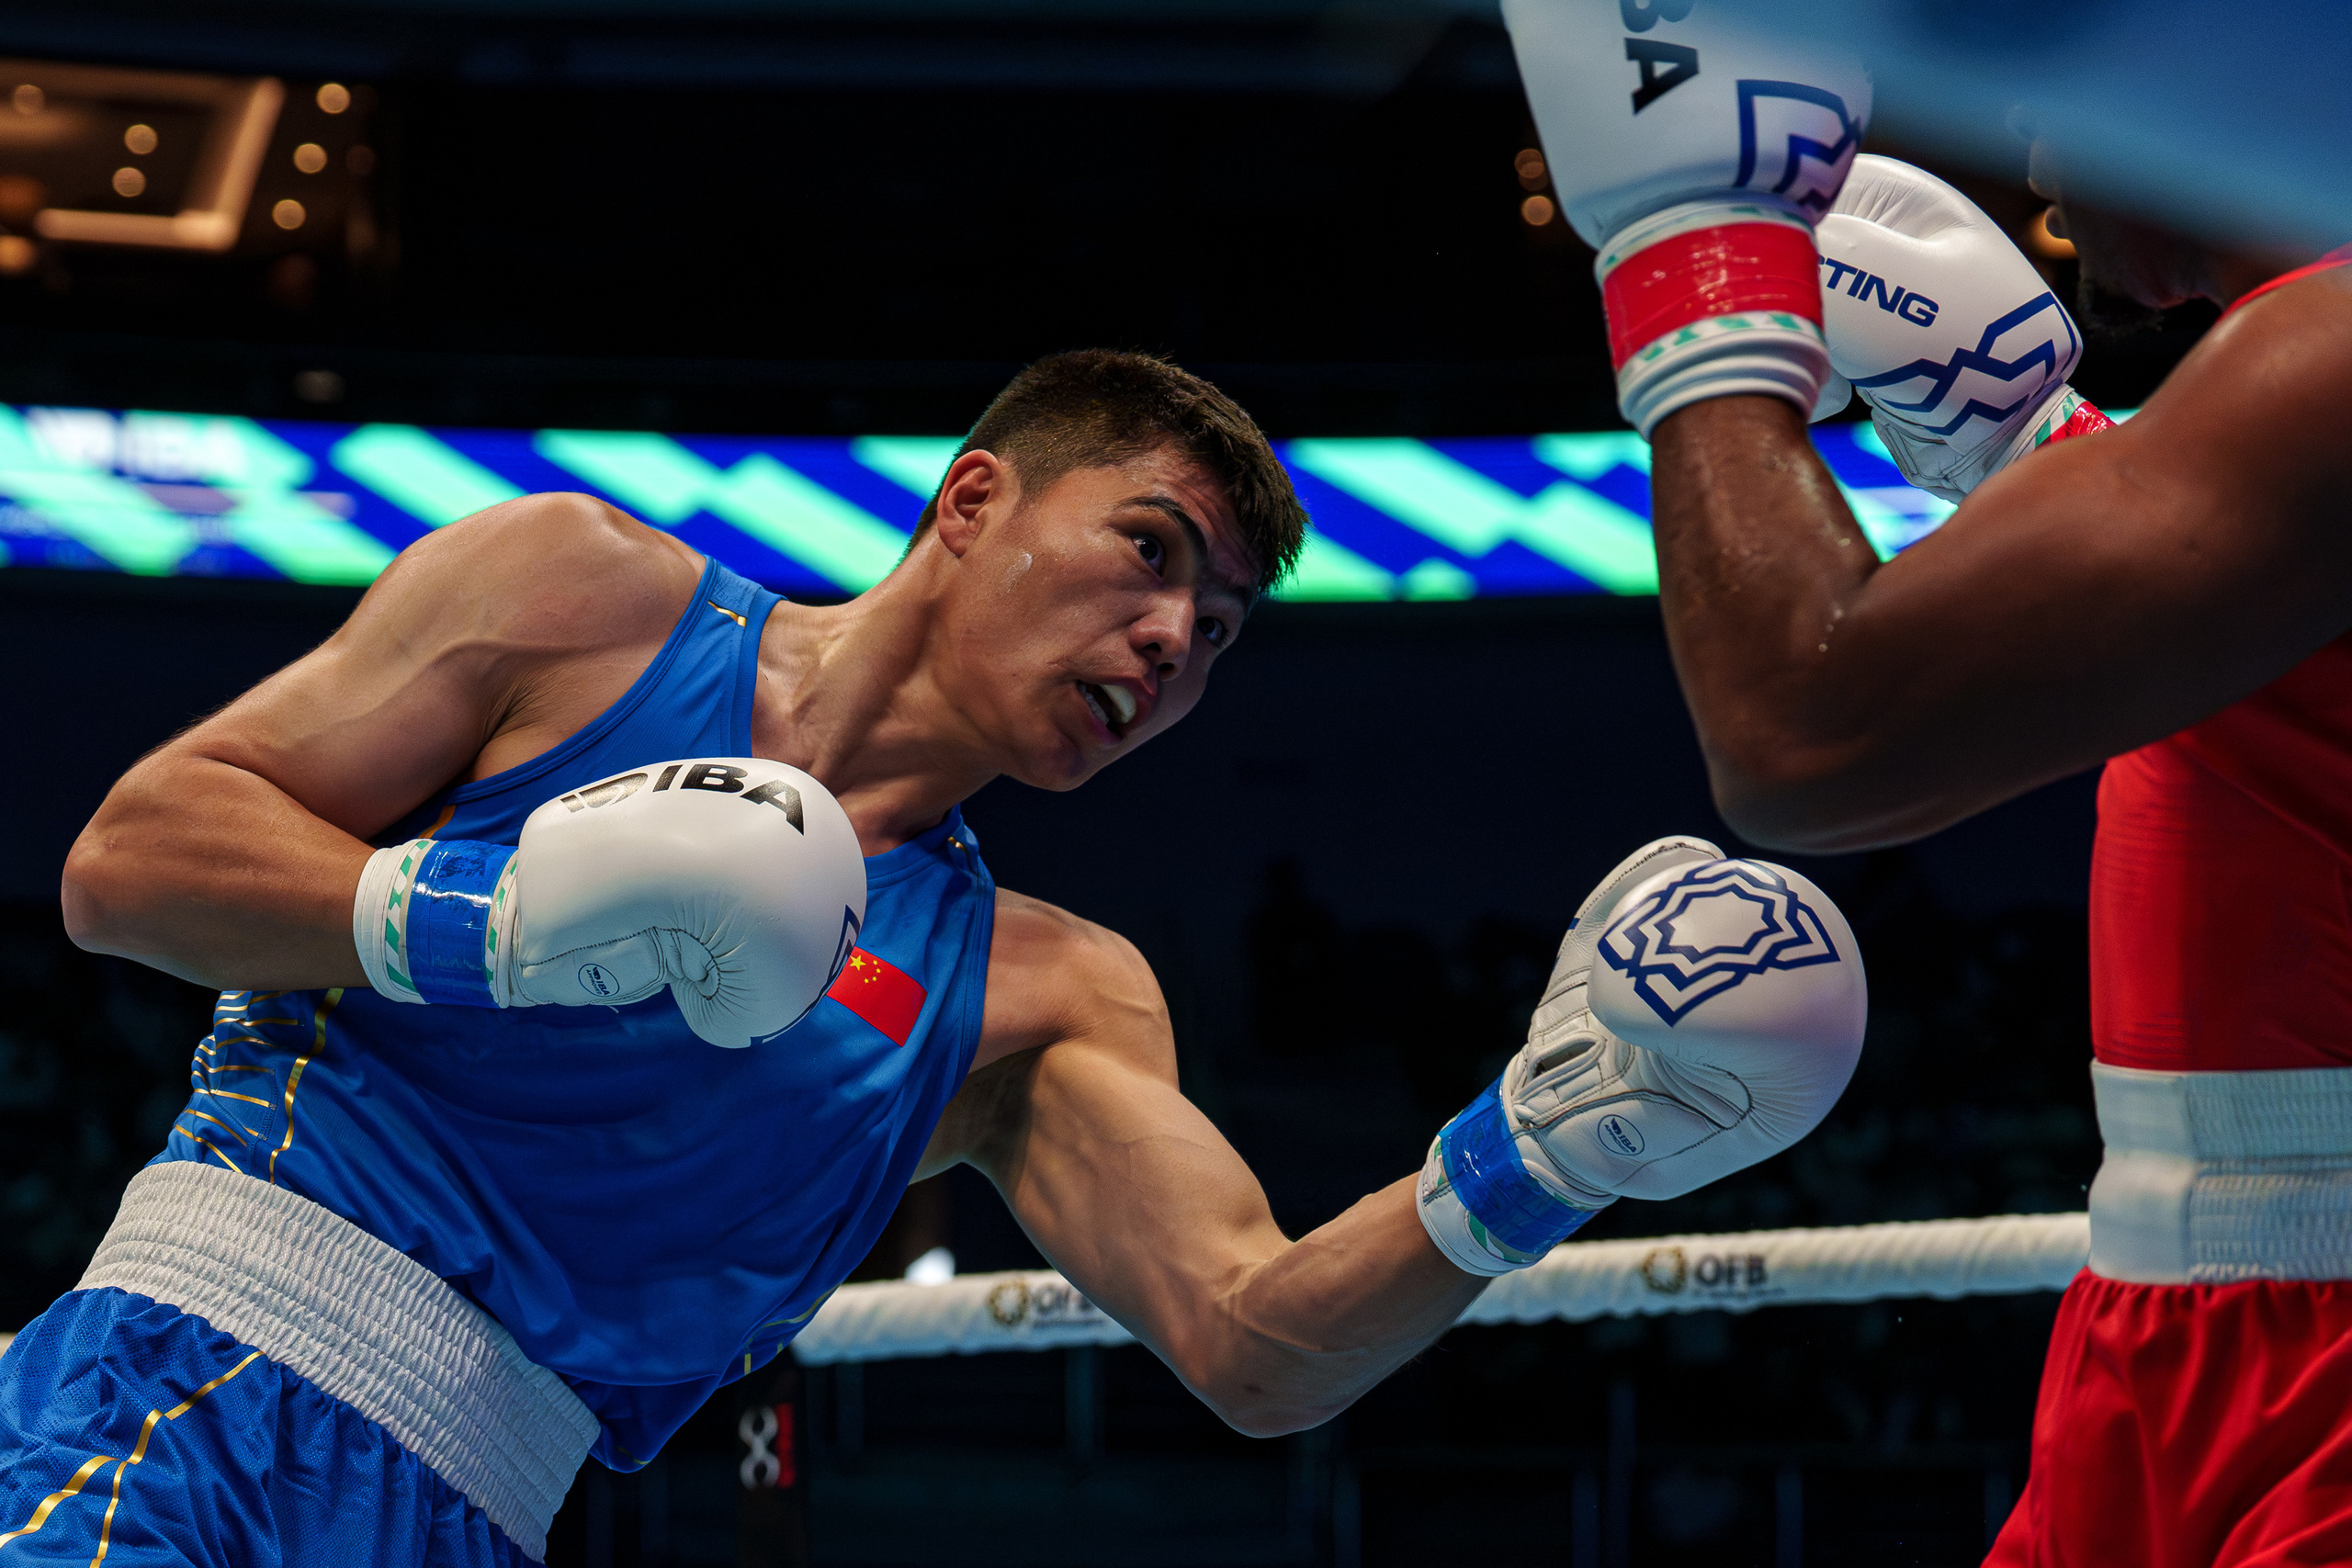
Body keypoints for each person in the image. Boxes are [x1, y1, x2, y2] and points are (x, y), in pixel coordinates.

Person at [0, 348, 1868, 1564]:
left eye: (1215, 632)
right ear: (972, 502)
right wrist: (498, 923)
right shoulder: (578, 606)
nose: (1167, 643)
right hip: (192, 1382)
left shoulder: (1042, 989)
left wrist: (1533, 1157)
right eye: (1145, 554)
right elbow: (129, 859)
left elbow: (1252, 1341)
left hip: (483, 1511)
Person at [1505, 0, 2352, 1562]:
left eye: (2055, 69)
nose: (2027, 143)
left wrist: (1693, 245)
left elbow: (1803, 739)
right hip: (2168, 1307)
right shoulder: (2293, 372)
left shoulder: (2336, 351)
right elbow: (2269, 687)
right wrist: (2034, 454)